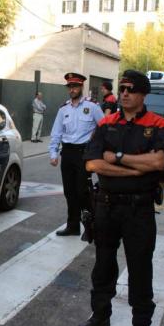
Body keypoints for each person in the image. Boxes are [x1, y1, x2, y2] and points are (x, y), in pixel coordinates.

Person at [78, 69, 164, 326]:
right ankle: (101, 315)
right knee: (103, 264)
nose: (125, 93)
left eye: (131, 89)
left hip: (139, 209)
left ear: (143, 94)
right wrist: (135, 168)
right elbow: (92, 164)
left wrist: (117, 158)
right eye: (122, 88)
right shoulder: (107, 122)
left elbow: (158, 162)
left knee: (141, 268)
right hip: (106, 206)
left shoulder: (157, 124)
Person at [49, 72, 104, 236]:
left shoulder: (92, 106)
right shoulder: (63, 109)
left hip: (83, 153)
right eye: (70, 87)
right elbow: (56, 132)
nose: (72, 89)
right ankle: (73, 226)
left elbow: (103, 128)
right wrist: (53, 153)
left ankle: (91, 224)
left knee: (82, 191)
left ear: (81, 87)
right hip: (67, 153)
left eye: (75, 86)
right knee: (69, 191)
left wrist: (95, 150)